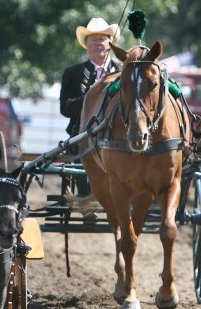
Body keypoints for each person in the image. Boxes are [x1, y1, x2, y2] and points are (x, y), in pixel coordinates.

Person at [59, 17, 121, 203]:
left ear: (110, 43)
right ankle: (87, 200)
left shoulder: (122, 71)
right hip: (81, 133)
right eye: (93, 39)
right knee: (81, 154)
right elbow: (65, 108)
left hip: (116, 133)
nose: (98, 43)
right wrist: (91, 96)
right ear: (86, 45)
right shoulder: (73, 73)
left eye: (102, 38)